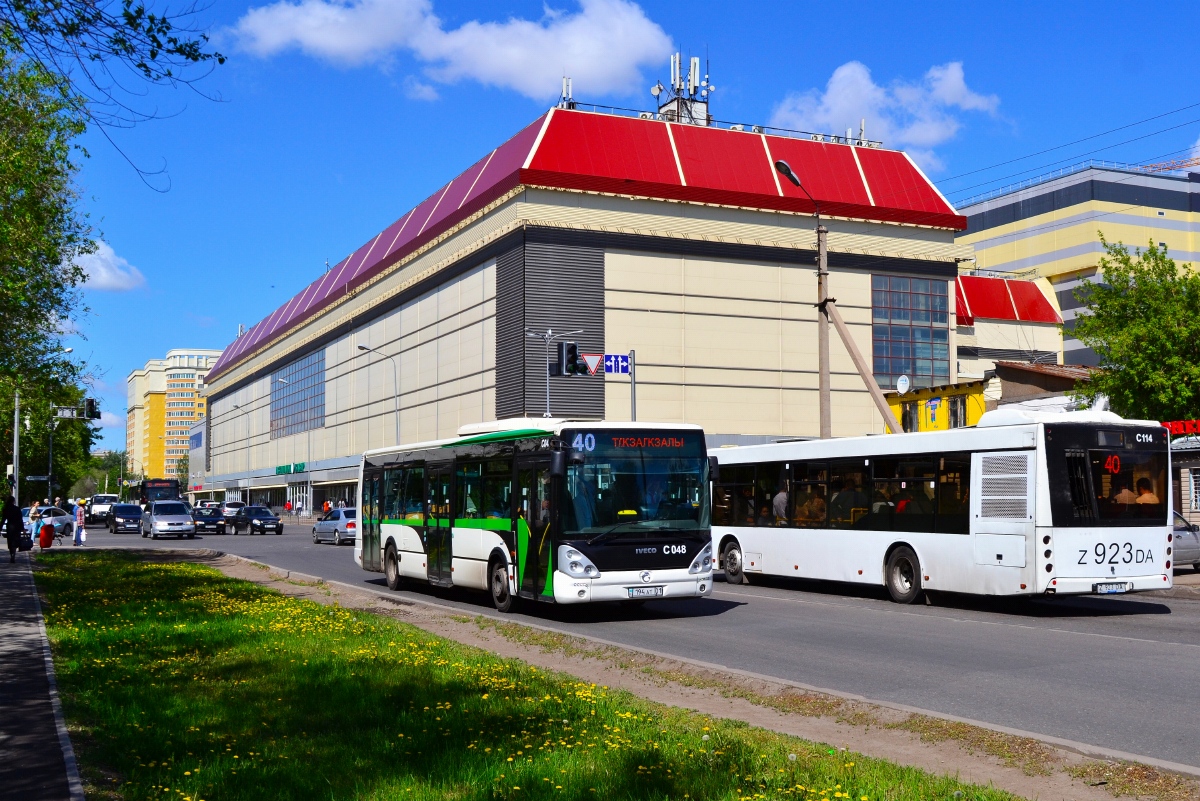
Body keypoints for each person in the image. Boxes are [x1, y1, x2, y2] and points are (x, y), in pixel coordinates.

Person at [3, 496, 23, 562]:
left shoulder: (6, 509)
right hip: (16, 527)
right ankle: (13, 554)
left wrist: (0, 527)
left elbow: (3, 519)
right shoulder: (17, 509)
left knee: (10, 541)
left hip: (9, 526)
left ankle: (11, 554)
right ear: (13, 501)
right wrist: (22, 528)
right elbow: (20, 519)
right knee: (15, 541)